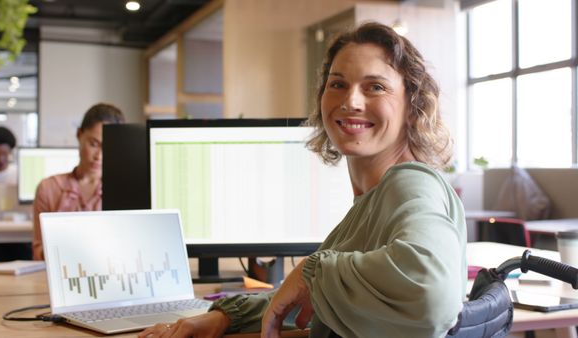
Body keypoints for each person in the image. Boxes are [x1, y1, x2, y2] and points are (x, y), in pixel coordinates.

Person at [138, 22, 467, 338]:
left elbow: (431, 295)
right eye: (337, 84)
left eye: (375, 87)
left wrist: (313, 269)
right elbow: (322, 298)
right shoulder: (373, 199)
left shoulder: (410, 183)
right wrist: (225, 315)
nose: (350, 101)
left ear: (413, 105)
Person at [32, 103, 125, 260]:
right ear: (79, 134)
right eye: (93, 144)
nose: (99, 156)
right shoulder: (48, 188)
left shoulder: (123, 191)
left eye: (108, 147)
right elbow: (38, 250)